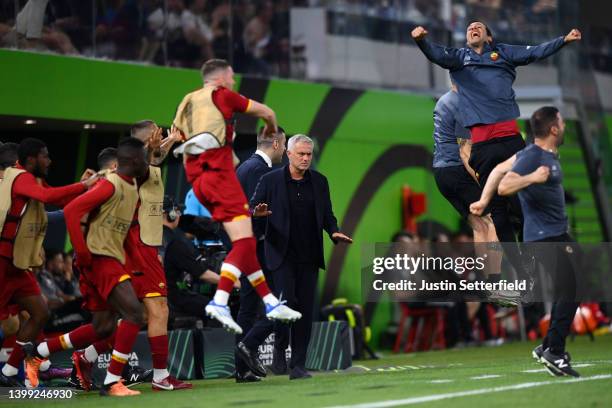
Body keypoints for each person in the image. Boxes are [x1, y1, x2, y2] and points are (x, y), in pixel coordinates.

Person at [412, 21, 581, 284]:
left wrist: (564, 40)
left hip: (511, 140)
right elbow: (436, 54)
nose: (473, 28)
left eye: (478, 26)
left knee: (525, 200)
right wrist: (421, 41)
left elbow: (535, 52)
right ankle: (520, 270)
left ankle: (536, 255)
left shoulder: (502, 53)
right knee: (497, 212)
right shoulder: (459, 59)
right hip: (483, 147)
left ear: (489, 37)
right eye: (469, 28)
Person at [172, 58, 301, 334]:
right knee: (244, 243)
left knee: (246, 243)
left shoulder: (186, 101)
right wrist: (271, 126)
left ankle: (269, 301)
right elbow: (266, 111)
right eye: (231, 76)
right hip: (218, 175)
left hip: (198, 179)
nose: (233, 81)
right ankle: (219, 301)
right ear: (220, 77)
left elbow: (180, 138)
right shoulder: (222, 95)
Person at [470, 106, 580, 377]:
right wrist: (533, 177)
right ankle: (554, 350)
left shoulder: (534, 153)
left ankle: (548, 347)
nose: (564, 126)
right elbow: (506, 185)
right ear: (554, 128)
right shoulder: (533, 157)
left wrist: (484, 200)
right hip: (546, 237)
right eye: (562, 122)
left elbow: (497, 170)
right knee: (573, 288)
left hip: (553, 234)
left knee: (571, 287)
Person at [251, 134, 353, 379]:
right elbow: (252, 208)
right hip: (280, 254)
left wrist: (333, 231)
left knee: (305, 311)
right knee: (287, 304)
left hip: (309, 255)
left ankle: (298, 365)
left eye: (309, 154)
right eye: (301, 154)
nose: (306, 158)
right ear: (288, 154)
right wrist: (258, 213)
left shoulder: (320, 181)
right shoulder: (270, 180)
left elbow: (327, 214)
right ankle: (275, 348)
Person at [0, 138, 96, 388]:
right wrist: (83, 185)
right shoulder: (19, 178)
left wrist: (84, 189)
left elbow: (58, 204)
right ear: (29, 160)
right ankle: (35, 367)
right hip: (3, 262)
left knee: (39, 313)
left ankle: (11, 371)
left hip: (17, 264)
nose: (50, 161)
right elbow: (49, 198)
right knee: (9, 324)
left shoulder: (27, 182)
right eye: (45, 156)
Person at [62, 138, 150, 396]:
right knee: (134, 314)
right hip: (99, 259)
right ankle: (113, 381)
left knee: (105, 326)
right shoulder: (110, 185)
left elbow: (124, 232)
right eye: (144, 158)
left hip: (111, 259)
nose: (147, 163)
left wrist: (137, 266)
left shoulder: (130, 187)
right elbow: (70, 211)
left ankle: (40, 352)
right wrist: (82, 254)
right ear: (134, 161)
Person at [431, 83, 517, 305]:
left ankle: (486, 284)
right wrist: (486, 181)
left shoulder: (444, 101)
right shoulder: (462, 103)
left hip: (441, 174)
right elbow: (465, 152)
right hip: (456, 171)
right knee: (493, 221)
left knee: (479, 225)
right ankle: (495, 286)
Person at [124, 120, 190, 391]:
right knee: (158, 310)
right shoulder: (135, 165)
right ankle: (161, 376)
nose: (162, 134)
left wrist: (172, 139)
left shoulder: (145, 162)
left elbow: (156, 157)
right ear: (148, 137)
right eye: (159, 132)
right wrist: (167, 142)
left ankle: (86, 358)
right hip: (140, 246)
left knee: (129, 315)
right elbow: (152, 157)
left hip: (145, 246)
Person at [234, 126, 287, 382]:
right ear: (276, 144)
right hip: (260, 248)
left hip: (245, 246)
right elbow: (260, 213)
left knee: (247, 307)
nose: (286, 150)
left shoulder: (243, 167)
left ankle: (242, 369)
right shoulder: (260, 171)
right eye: (285, 144)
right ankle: (250, 346)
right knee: (283, 299)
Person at [161, 196, 226, 320]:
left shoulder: (143, 237)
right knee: (219, 310)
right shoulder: (175, 243)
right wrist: (234, 282)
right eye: (177, 211)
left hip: (149, 295)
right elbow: (203, 274)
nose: (180, 215)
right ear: (171, 214)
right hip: (171, 298)